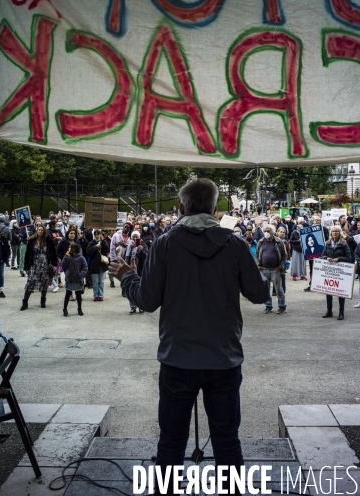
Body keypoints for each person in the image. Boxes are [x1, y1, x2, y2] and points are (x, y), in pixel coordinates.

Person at [108, 178, 268, 495]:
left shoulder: (164, 245)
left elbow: (147, 300)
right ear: (213, 208)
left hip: (177, 360)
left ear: (181, 208)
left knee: (171, 442)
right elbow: (260, 294)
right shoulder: (234, 245)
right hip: (223, 359)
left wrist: (127, 276)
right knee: (227, 442)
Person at [21, 225, 57, 310]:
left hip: (45, 265)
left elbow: (53, 253)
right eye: (38, 230)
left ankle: (43, 300)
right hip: (34, 264)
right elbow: (27, 254)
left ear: (44, 231)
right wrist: (26, 267)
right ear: (36, 231)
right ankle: (25, 302)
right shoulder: (32, 240)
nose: (40, 231)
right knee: (30, 282)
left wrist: (54, 264)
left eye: (41, 230)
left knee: (44, 283)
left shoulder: (48, 240)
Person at [255, 224, 287, 314]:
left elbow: (284, 255)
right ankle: (268, 306)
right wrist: (258, 264)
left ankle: (282, 306)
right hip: (264, 269)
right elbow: (257, 254)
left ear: (272, 231)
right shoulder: (261, 241)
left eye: (268, 231)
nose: (266, 233)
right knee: (266, 289)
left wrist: (280, 266)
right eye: (264, 231)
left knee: (279, 289)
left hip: (275, 270)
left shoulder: (278, 241)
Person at [321, 226, 351, 320]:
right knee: (328, 291)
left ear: (340, 232)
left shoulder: (344, 244)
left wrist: (339, 259)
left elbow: (349, 258)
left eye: (336, 231)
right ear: (331, 233)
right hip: (329, 271)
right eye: (333, 231)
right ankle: (329, 310)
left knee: (340, 292)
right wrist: (327, 258)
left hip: (340, 271)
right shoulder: (328, 243)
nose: (335, 233)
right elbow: (323, 255)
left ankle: (341, 312)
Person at [61, 243, 88, 316]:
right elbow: (63, 266)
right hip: (69, 278)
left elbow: (85, 268)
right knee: (67, 294)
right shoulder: (68, 256)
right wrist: (65, 258)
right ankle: (65, 309)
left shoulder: (81, 258)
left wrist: (80, 275)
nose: (70, 249)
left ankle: (79, 308)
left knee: (78, 294)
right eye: (69, 247)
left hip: (77, 279)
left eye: (71, 248)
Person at [87, 229, 110, 302]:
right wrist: (95, 247)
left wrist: (103, 242)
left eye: (98, 234)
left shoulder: (103, 242)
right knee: (95, 281)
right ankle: (95, 295)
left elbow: (107, 250)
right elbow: (88, 251)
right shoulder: (91, 243)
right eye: (95, 234)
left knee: (102, 281)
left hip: (102, 264)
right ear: (94, 235)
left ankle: (101, 295)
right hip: (94, 265)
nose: (97, 236)